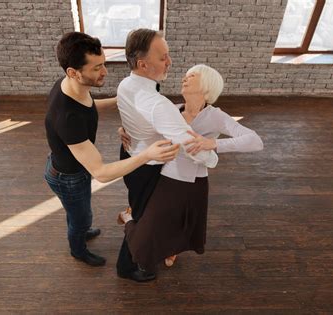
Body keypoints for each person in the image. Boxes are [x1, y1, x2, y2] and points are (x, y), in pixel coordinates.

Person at [44, 32, 180, 267]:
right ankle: (78, 249)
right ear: (73, 72)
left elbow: (90, 106)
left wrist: (125, 101)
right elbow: (101, 173)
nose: (105, 72)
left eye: (103, 63)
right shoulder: (68, 118)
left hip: (75, 166)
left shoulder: (68, 86)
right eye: (96, 68)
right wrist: (148, 154)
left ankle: (80, 229)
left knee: (80, 215)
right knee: (80, 217)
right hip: (68, 177)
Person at [117, 64, 264, 274]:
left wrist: (215, 144)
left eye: (191, 76)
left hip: (194, 184)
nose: (184, 78)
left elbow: (255, 141)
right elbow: (144, 128)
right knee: (142, 246)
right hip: (164, 178)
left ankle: (171, 249)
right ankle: (128, 217)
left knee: (179, 225)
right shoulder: (172, 108)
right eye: (185, 76)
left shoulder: (216, 116)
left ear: (207, 85)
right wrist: (124, 130)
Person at [115, 29, 219, 282]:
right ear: (143, 64)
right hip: (146, 167)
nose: (170, 62)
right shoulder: (157, 103)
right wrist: (213, 158)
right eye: (163, 57)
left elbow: (134, 115)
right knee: (142, 215)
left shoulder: (126, 83)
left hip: (130, 155)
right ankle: (128, 266)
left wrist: (128, 130)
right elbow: (193, 147)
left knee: (142, 210)